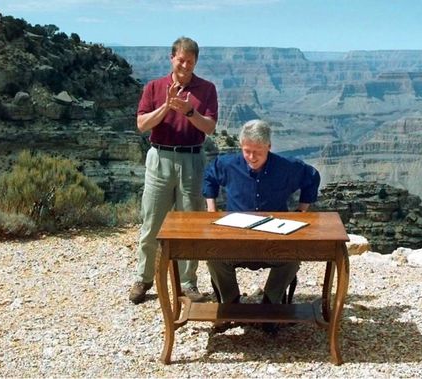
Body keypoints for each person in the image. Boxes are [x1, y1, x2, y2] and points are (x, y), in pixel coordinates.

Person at [202, 119, 320, 333]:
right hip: (236, 242)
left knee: (291, 260)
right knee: (214, 258)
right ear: (241, 147)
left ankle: (270, 305)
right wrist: (211, 209)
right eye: (247, 151)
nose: (252, 157)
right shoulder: (228, 164)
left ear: (269, 147)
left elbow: (312, 177)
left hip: (274, 244)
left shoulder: (286, 167)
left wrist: (302, 212)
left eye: (258, 151)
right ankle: (231, 305)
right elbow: (210, 176)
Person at [130, 37, 219, 305]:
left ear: (196, 62)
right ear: (172, 58)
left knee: (190, 224)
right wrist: (167, 106)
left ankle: (188, 283)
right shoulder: (155, 87)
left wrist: (190, 111)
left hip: (191, 160)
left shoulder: (206, 89)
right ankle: (144, 278)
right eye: (181, 59)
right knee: (152, 221)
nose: (185, 65)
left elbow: (210, 128)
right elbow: (142, 124)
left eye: (190, 61)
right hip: (160, 158)